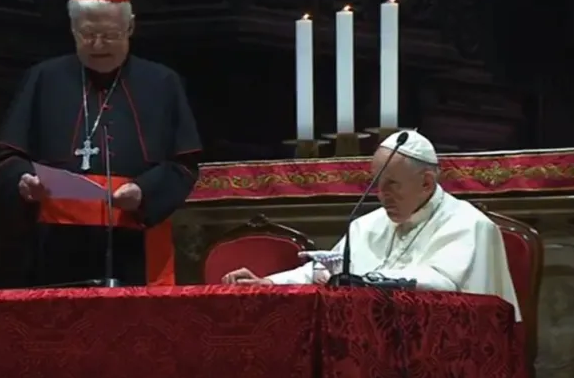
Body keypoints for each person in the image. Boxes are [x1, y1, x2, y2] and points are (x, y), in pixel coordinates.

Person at [0, 0, 201, 287]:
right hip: (56, 245)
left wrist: (143, 191)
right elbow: (8, 157)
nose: (99, 45)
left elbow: (184, 165)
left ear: (130, 28)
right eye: (88, 35)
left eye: (110, 35)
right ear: (73, 29)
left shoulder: (162, 83)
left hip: (138, 242)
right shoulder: (43, 78)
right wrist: (23, 180)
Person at [222, 130, 522, 321]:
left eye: (392, 184)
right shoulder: (367, 225)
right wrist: (270, 283)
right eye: (378, 184)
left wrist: (364, 279)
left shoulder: (469, 225)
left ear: (427, 182)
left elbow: (440, 284)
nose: (382, 195)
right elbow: (325, 271)